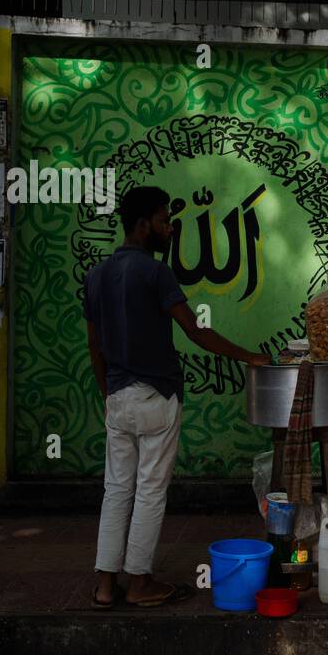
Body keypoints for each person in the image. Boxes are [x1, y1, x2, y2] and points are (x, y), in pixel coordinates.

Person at [84, 185, 270, 608]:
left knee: (116, 490)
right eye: (165, 221)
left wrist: (107, 391)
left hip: (118, 398)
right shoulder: (155, 273)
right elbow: (195, 331)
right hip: (156, 396)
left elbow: (94, 345)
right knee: (149, 491)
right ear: (143, 224)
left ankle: (105, 586)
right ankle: (139, 583)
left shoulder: (96, 276)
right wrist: (248, 356)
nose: (170, 229)